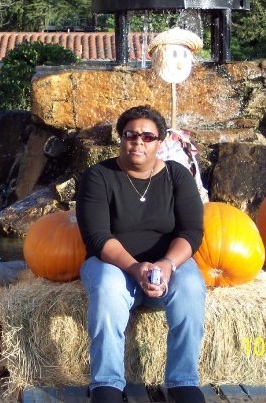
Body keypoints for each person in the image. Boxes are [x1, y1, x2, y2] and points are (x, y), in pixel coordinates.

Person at [76, 105, 206, 403]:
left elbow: (191, 232)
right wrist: (135, 267)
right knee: (107, 286)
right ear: (121, 138)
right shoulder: (99, 176)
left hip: (166, 265)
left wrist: (167, 264)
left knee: (190, 284)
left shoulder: (177, 176)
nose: (138, 142)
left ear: (160, 142)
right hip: (114, 265)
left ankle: (183, 381)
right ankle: (107, 384)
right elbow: (97, 237)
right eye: (130, 135)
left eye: (147, 137)